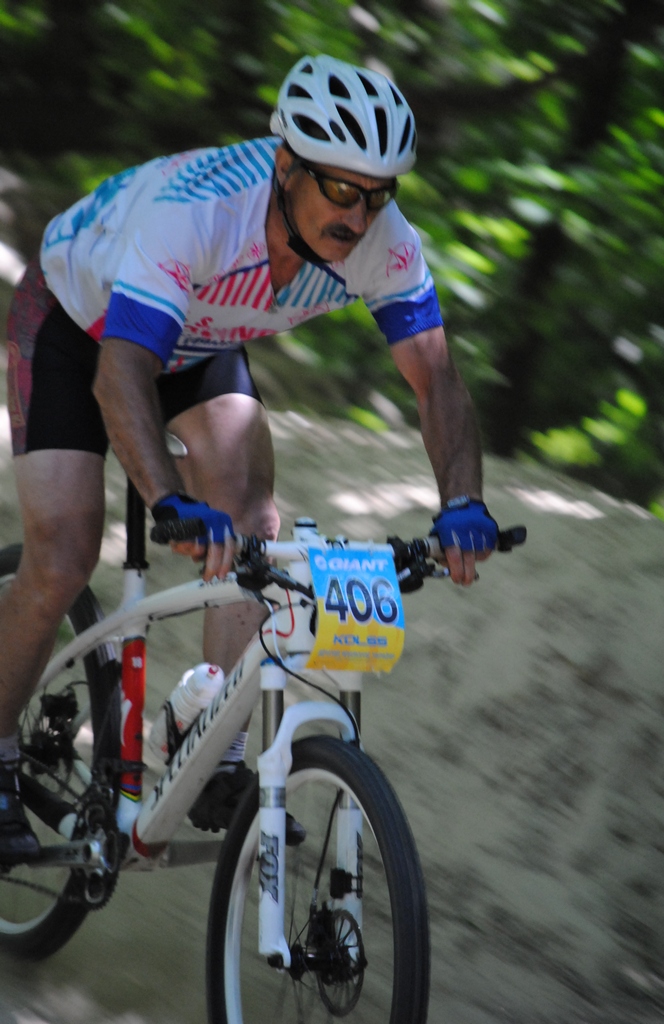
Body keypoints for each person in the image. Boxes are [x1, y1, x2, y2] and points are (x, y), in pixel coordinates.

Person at [0, 54, 498, 864]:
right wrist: (167, 497)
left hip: (194, 341)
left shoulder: (383, 242)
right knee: (63, 555)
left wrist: (463, 502)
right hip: (75, 322)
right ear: (287, 165)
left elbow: (436, 377)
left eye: (378, 194)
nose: (359, 215)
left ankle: (214, 746)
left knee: (254, 520)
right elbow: (121, 372)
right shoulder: (197, 215)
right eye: (340, 189)